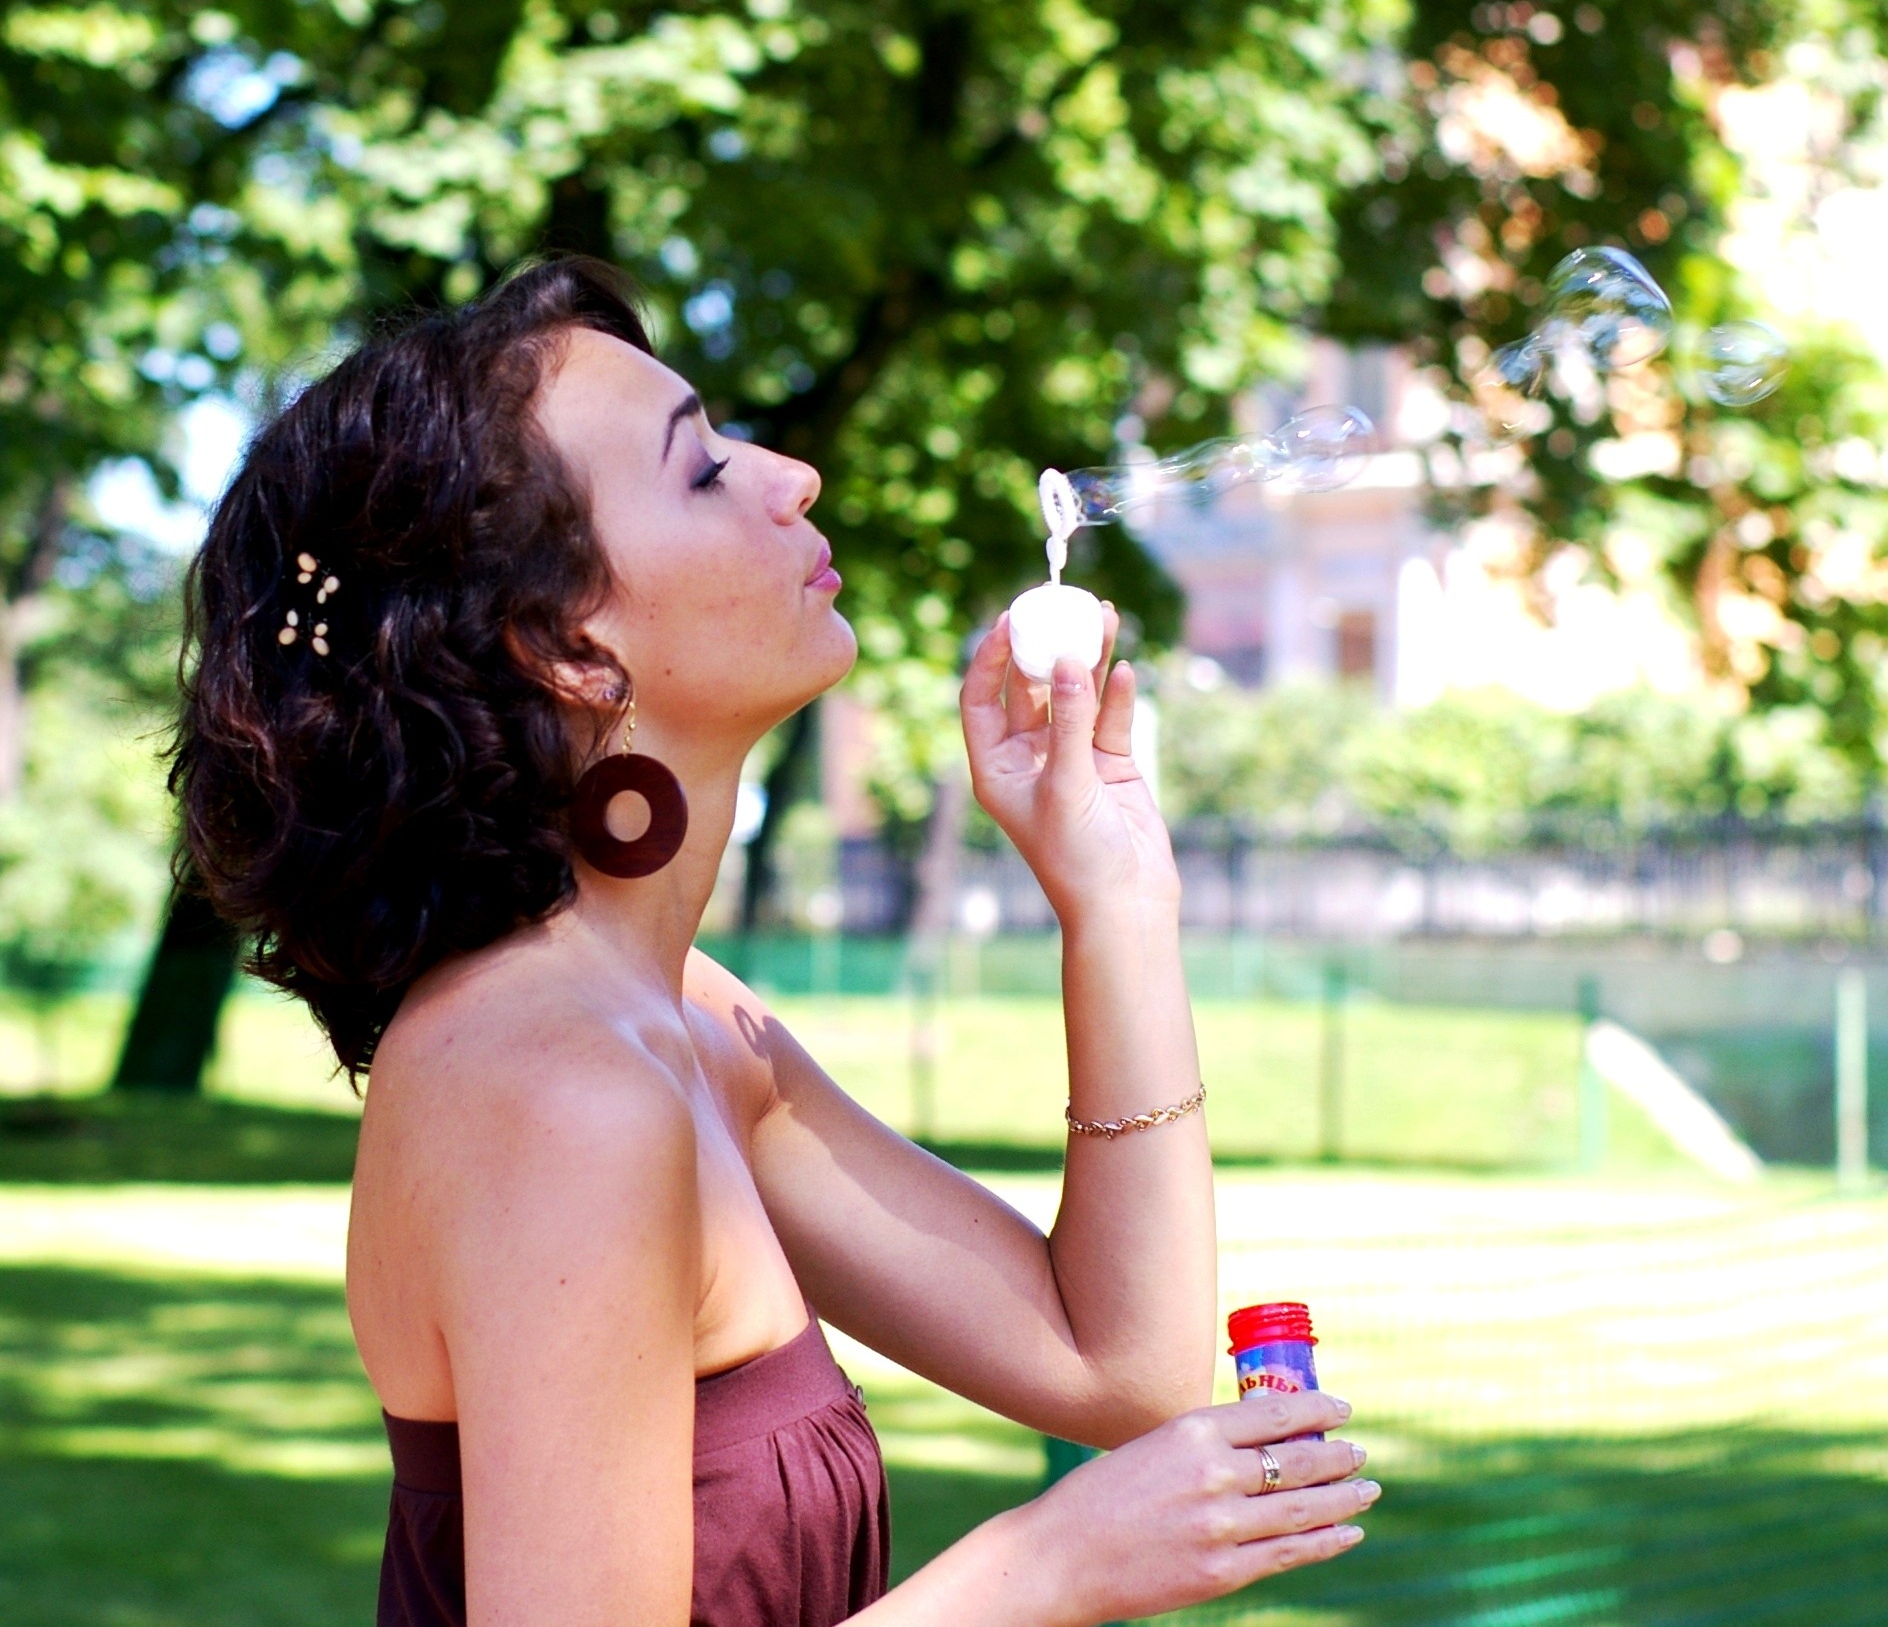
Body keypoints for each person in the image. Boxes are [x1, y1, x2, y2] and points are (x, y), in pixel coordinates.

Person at [173, 257, 1377, 1627]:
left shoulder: (683, 1023)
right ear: (565, 644)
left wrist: (1115, 902)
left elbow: (1117, 1363)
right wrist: (1046, 1566)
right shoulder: (552, 1086)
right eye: (702, 470)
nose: (793, 476)